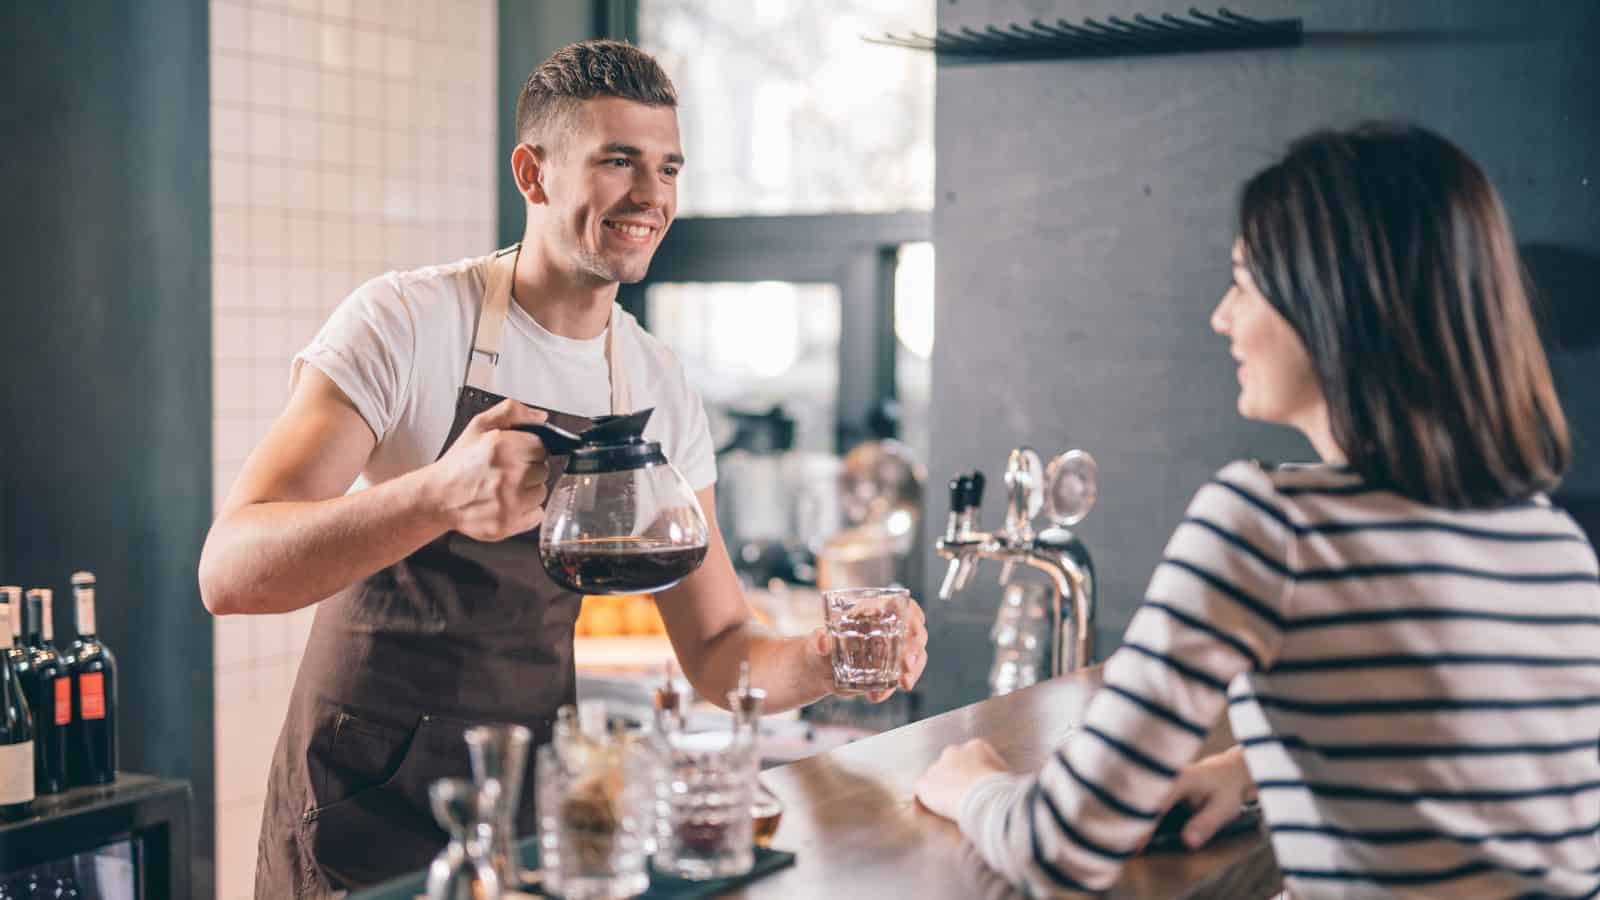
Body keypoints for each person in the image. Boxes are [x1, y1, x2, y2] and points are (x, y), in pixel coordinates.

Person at [197, 40, 928, 897]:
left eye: (667, 168)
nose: (650, 197)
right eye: (618, 162)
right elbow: (231, 570)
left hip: (534, 810)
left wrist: (826, 657)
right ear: (532, 175)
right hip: (360, 809)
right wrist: (436, 494)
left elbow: (721, 648)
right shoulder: (407, 321)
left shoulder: (655, 379)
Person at [914, 123, 1598, 898]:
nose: (1221, 316)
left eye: (1244, 281)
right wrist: (1249, 771)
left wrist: (970, 785)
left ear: (1334, 297)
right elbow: (1465, 754)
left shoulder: (1267, 524)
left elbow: (1063, 846)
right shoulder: (1552, 544)